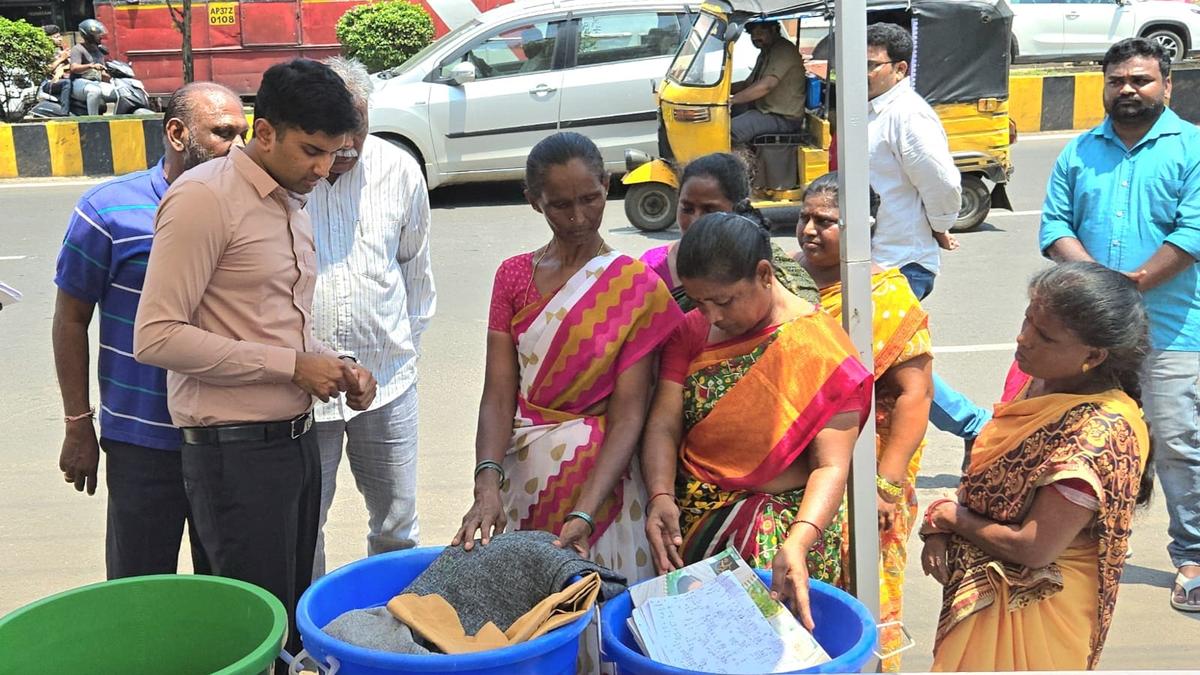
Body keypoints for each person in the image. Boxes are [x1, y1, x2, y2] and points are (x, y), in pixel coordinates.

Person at [133, 59, 375, 670]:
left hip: (293, 442)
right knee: (253, 634)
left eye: (335, 152)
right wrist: (290, 366)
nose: (325, 168)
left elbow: (267, 320)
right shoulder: (204, 199)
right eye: (312, 150)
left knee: (290, 623)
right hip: (232, 454)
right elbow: (157, 337)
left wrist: (332, 365)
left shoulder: (290, 198)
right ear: (263, 133)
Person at [452, 131, 682, 673]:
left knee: (602, 627)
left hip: (604, 487)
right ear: (535, 201)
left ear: (607, 187)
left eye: (590, 198)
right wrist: (487, 481)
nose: (578, 216)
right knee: (531, 628)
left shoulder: (635, 285)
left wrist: (585, 509)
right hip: (524, 473)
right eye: (559, 204)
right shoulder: (513, 276)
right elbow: (499, 391)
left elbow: (630, 414)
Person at [52, 82, 247, 580]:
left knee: (227, 591)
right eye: (224, 133)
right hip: (142, 444)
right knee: (140, 587)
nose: (238, 147)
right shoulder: (108, 211)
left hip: (227, 439)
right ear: (177, 134)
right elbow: (71, 319)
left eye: (243, 133)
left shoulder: (251, 208)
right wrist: (79, 423)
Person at [641, 212, 871, 629]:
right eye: (699, 302)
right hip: (694, 525)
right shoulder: (691, 331)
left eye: (724, 301)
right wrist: (660, 494)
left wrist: (799, 540)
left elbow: (831, 465)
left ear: (765, 274)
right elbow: (663, 424)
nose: (711, 316)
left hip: (785, 534)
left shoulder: (820, 349)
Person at [921, 262, 1153, 670]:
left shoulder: (1098, 435)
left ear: (1094, 356)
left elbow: (1034, 548)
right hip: (986, 597)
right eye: (1027, 319)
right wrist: (943, 528)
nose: (1023, 338)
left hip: (1036, 612)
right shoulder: (1040, 379)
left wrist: (949, 518)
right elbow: (993, 476)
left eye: (1044, 336)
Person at [1039, 37, 1200, 613]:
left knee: (1177, 442)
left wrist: (1128, 286)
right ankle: (1083, 545)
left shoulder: (1192, 148)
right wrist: (1099, 289)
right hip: (1092, 335)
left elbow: (1193, 232)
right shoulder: (1079, 151)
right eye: (1117, 81)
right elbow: (1054, 225)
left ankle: (1193, 558)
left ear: (1167, 86)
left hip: (1173, 329)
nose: (1128, 89)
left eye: (1141, 80)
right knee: (1080, 441)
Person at [794, 172, 932, 670]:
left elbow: (914, 394)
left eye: (825, 221)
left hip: (864, 465)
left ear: (861, 228)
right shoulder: (788, 280)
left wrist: (885, 486)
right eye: (804, 217)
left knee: (864, 589)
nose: (809, 230)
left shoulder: (886, 296)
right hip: (799, 465)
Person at [308, 57, 436, 578]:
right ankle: (301, 643)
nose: (345, 147)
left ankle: (393, 632)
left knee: (396, 525)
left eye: (355, 129)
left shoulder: (398, 169)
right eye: (331, 135)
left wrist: (399, 356)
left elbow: (416, 275)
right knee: (302, 524)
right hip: (301, 394)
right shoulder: (284, 178)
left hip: (388, 385)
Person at [639, 152, 819, 311]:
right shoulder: (651, 268)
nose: (695, 221)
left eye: (709, 210)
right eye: (687, 209)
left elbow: (807, 313)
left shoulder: (767, 261)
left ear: (739, 209)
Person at [865, 22, 961, 300]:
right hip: (872, 261)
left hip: (899, 264)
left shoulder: (908, 115)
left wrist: (938, 228)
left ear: (900, 70)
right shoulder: (871, 110)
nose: (861, 73)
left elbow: (943, 184)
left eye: (871, 65)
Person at [729, 21, 806, 147]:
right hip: (764, 110)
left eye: (760, 32)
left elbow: (767, 85)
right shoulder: (766, 52)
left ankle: (735, 164)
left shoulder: (783, 50)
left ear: (774, 29)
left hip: (783, 118)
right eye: (752, 34)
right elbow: (748, 84)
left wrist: (732, 100)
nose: (755, 38)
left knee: (728, 130)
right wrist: (721, 91)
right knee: (723, 117)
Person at [69, 19, 117, 116]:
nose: (100, 36)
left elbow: (102, 73)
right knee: (95, 91)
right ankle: (93, 119)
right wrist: (91, 66)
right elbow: (74, 68)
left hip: (97, 82)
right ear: (89, 36)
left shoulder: (98, 50)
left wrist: (114, 77)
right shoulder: (78, 49)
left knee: (118, 92)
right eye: (97, 34)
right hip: (79, 82)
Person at [40, 25, 71, 114]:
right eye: (56, 37)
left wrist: (65, 65)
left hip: (62, 78)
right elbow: (45, 70)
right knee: (67, 83)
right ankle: (64, 113)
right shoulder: (44, 52)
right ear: (48, 39)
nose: (60, 39)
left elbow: (71, 64)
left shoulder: (61, 49)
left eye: (60, 36)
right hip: (49, 83)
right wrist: (61, 59)